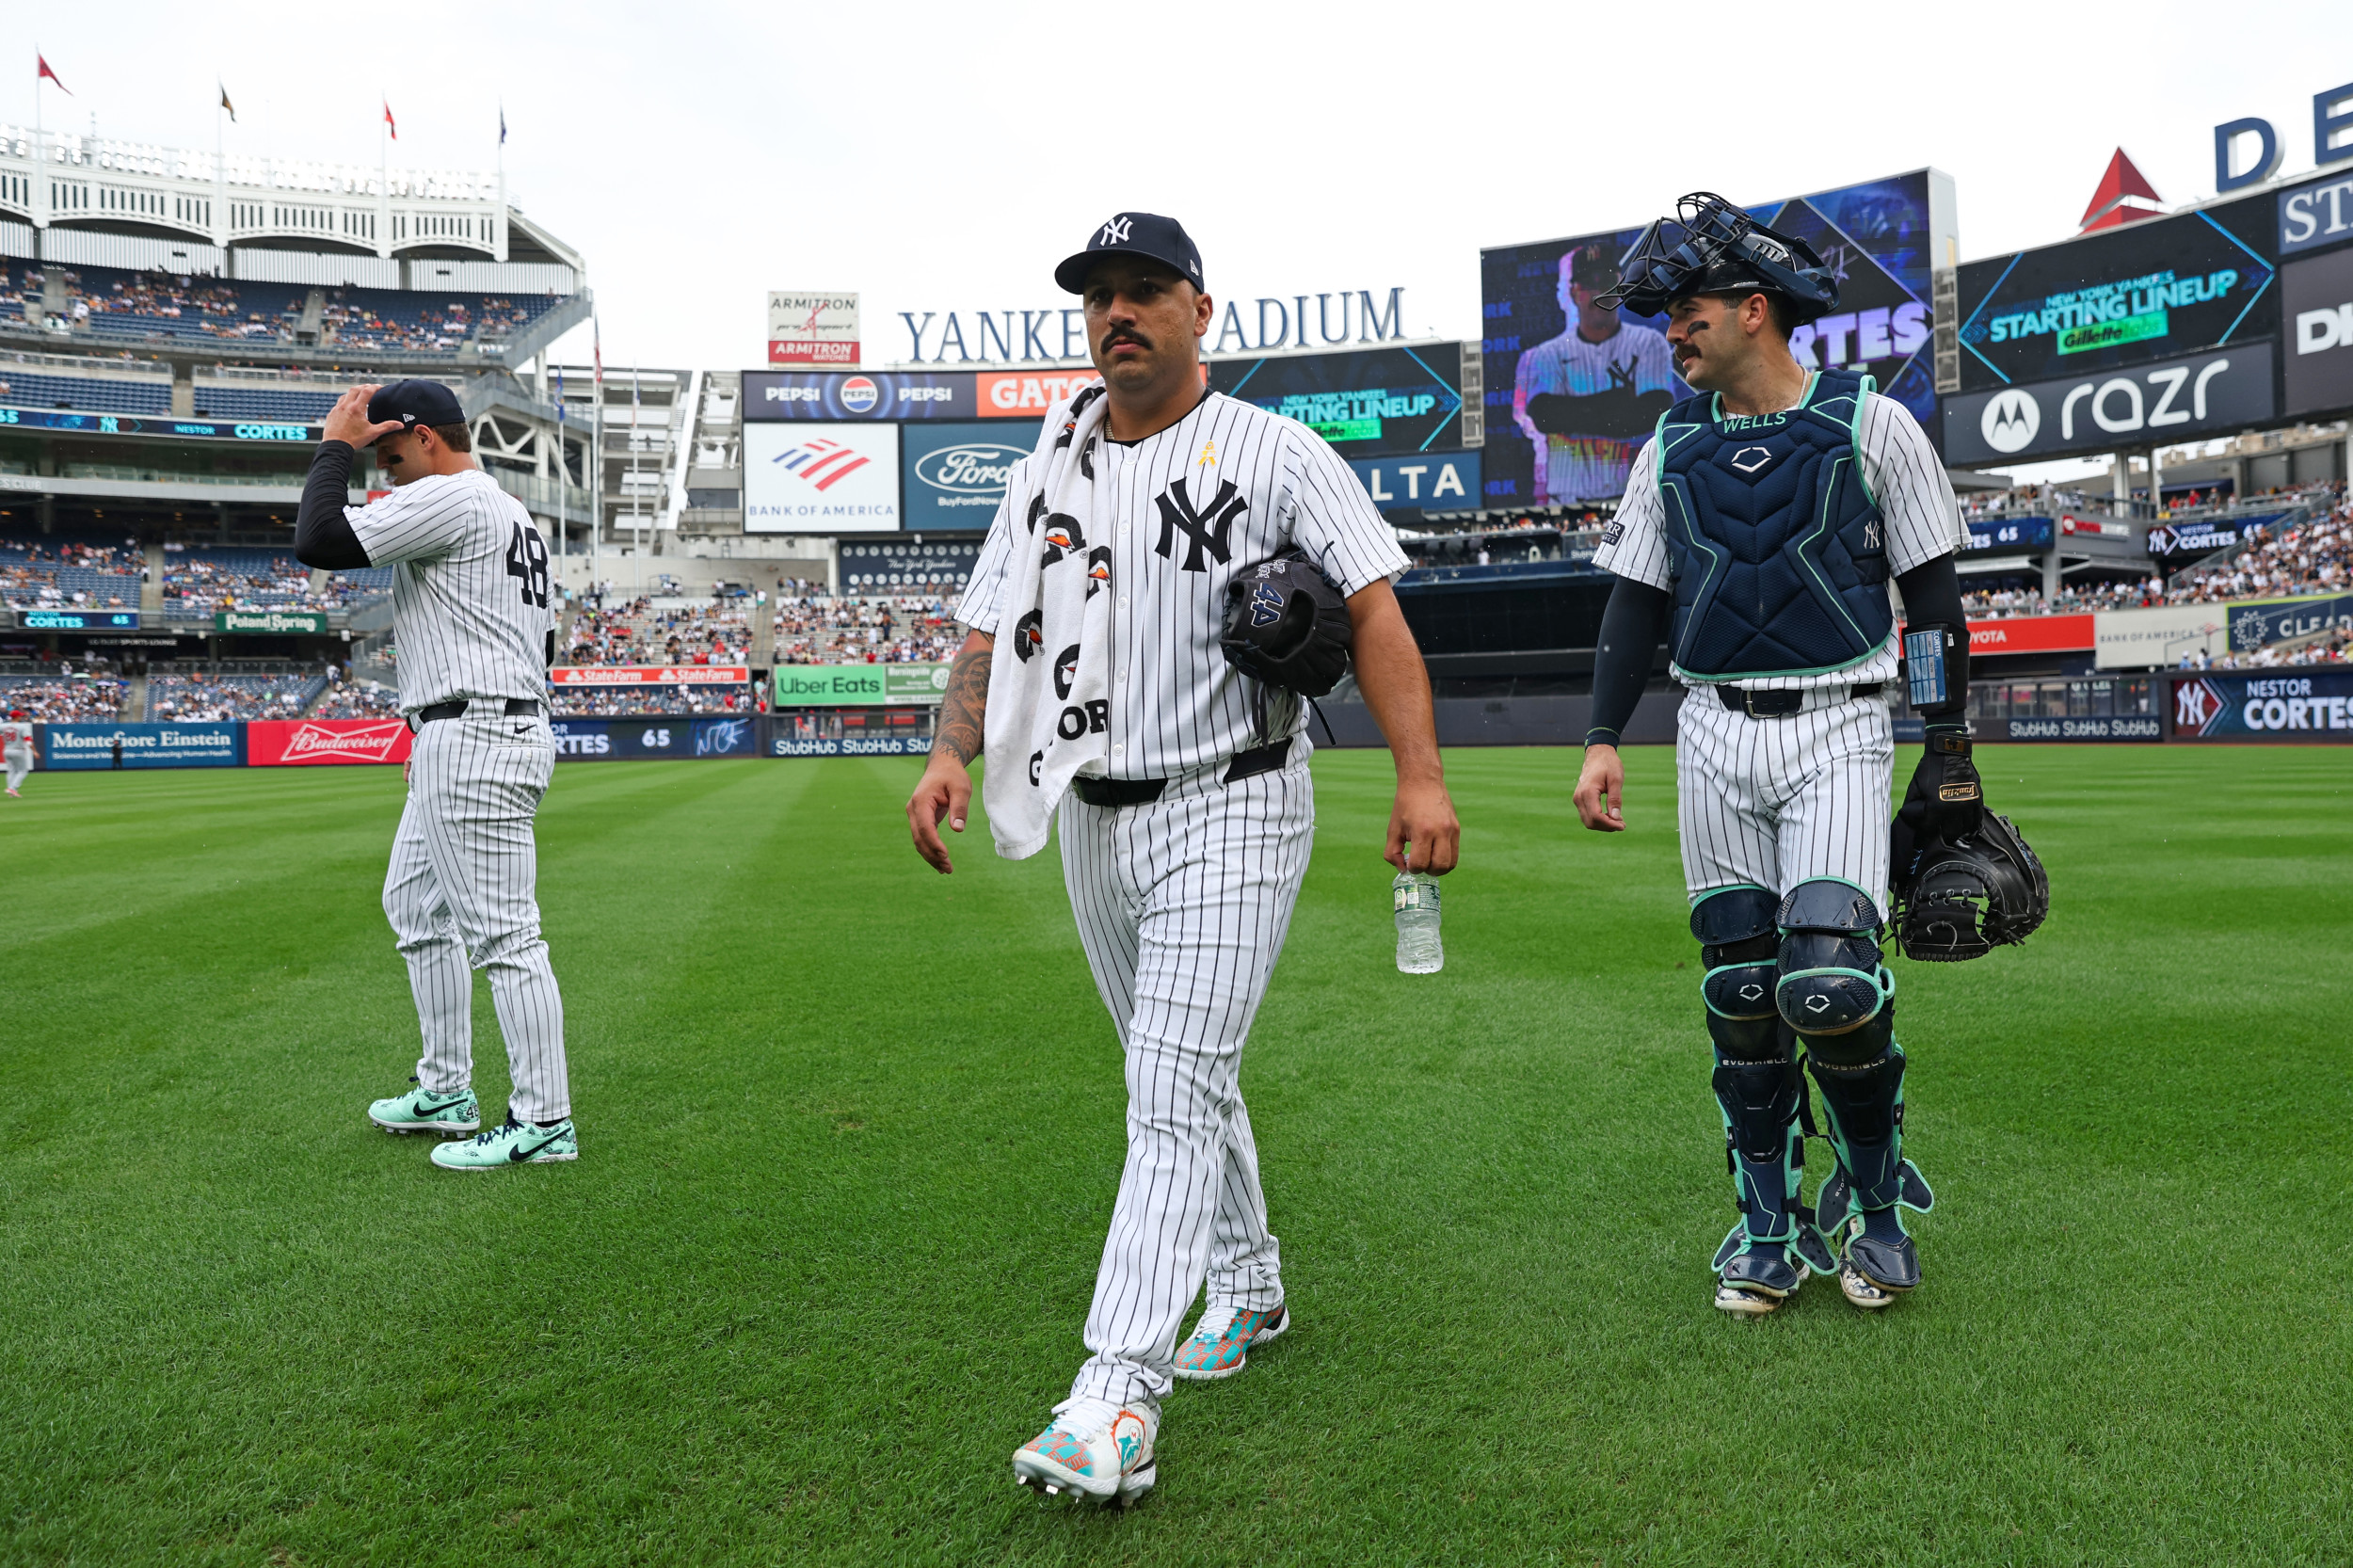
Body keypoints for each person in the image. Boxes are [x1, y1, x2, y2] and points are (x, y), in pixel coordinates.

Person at [904, 213, 1459, 1506]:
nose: (1119, 313)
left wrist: (1420, 772)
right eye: (1099, 296)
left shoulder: (1276, 450)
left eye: (1145, 290)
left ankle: (1115, 1395)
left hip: (1238, 797)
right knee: (1179, 1073)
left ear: (1201, 309)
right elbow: (992, 618)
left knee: (1167, 1078)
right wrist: (949, 749)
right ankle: (1250, 1283)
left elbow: (1374, 607)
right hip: (1095, 809)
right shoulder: (1050, 458)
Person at [1571, 194, 1981, 1318]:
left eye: (1689, 311)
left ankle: (1877, 1201)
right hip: (1708, 728)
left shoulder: (1870, 423)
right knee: (1741, 991)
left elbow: (1934, 603)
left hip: (1840, 720)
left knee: (1831, 978)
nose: (1672, 331)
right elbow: (1632, 604)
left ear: (1755, 310)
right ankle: (1767, 1222)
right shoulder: (1669, 445)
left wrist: (1946, 746)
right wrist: (1604, 737)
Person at [294, 379, 576, 1172]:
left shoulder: (455, 496)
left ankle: (545, 1121)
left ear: (424, 438)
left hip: (476, 729)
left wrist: (337, 446)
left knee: (505, 937)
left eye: (390, 457)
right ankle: (448, 1088)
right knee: (414, 905)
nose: (384, 474)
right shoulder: (509, 512)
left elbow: (319, 540)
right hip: (472, 725)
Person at [1513, 245, 1683, 507]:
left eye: (1605, 282)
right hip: (1567, 500)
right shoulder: (1548, 354)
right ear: (1573, 292)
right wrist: (1618, 403)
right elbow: (1546, 417)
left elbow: (1653, 413)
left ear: (1619, 286)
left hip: (1637, 498)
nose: (1597, 293)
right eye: (1587, 284)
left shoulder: (1648, 342)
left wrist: (1573, 414)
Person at [2, 710, 33, 795]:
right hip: (18, 750)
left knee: (11, 770)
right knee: (23, 771)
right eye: (20, 716)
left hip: (7, 750)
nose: (21, 717)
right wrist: (34, 751)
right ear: (17, 717)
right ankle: (12, 788)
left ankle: (11, 790)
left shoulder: (3, 726)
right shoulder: (22, 726)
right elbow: (28, 740)